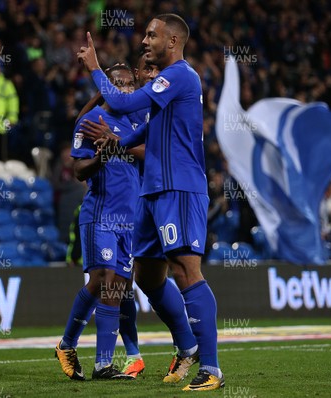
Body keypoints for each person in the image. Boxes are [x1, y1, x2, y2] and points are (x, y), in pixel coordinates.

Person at [78, 14, 224, 391]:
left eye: (151, 35)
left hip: (178, 187)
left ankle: (211, 368)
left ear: (173, 41)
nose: (144, 41)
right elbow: (149, 127)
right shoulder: (169, 81)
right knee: (146, 275)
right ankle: (187, 343)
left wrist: (96, 69)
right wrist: (117, 143)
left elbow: (125, 105)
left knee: (186, 271)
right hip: (153, 189)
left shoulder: (180, 75)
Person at [55, 64, 140, 381]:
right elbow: (79, 171)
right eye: (117, 83)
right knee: (104, 279)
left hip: (128, 219)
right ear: (106, 87)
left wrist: (119, 140)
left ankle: (92, 357)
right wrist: (103, 156)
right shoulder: (89, 122)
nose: (125, 88)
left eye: (128, 84)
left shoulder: (134, 122)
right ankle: (86, 355)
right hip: (100, 214)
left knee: (113, 288)